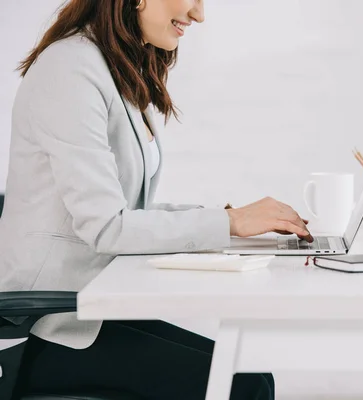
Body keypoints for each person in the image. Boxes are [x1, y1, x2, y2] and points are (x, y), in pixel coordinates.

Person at [0, 0, 314, 398]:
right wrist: (230, 224)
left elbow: (129, 213)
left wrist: (230, 221)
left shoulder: (111, 67)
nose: (199, 15)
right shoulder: (69, 70)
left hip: (89, 312)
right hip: (43, 329)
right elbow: (109, 227)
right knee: (243, 388)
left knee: (254, 379)